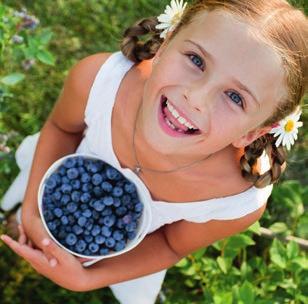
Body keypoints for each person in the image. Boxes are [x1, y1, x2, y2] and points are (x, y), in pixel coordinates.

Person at [0, 0, 307, 303]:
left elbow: (171, 245)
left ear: (253, 132)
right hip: (57, 177)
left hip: (128, 252)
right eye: (197, 61)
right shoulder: (99, 82)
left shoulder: (235, 199)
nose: (195, 97)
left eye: (235, 97)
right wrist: (31, 209)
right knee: (34, 210)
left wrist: (88, 278)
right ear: (166, 42)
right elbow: (61, 129)